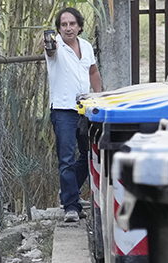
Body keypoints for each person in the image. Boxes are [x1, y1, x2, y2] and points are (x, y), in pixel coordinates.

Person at [44, 7, 102, 223]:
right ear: (59, 28)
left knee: (89, 155)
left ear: (79, 26)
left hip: (86, 109)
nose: (68, 28)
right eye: (64, 24)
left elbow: (93, 72)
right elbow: (50, 51)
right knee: (66, 159)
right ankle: (71, 206)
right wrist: (49, 45)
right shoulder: (56, 47)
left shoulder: (86, 47)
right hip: (63, 110)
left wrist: (100, 97)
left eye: (72, 24)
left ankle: (69, 193)